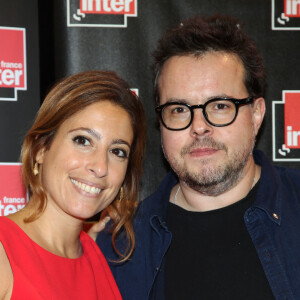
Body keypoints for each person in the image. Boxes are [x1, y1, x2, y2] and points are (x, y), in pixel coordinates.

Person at [96, 15, 300, 300]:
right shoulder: (120, 248)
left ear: (256, 115)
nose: (199, 126)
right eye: (179, 109)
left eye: (219, 106)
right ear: (160, 121)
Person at [0, 70, 146, 299]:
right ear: (41, 149)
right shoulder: (3, 250)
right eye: (83, 140)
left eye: (117, 151)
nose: (100, 167)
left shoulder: (97, 256)